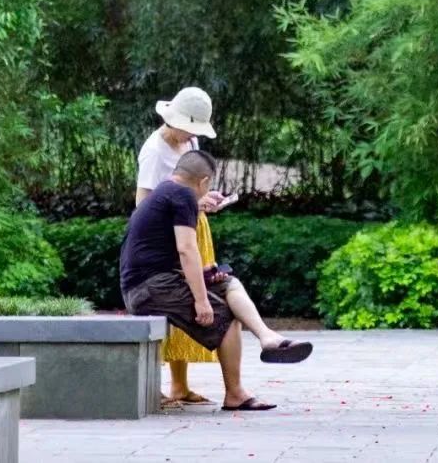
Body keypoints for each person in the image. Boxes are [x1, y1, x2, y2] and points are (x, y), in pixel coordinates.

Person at [121, 148, 313, 413]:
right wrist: (201, 301)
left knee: (227, 283)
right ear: (204, 182)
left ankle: (267, 336)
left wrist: (205, 274)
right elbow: (187, 249)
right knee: (225, 315)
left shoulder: (167, 192)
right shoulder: (183, 196)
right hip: (149, 289)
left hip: (152, 283)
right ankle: (235, 394)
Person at [136, 88, 222, 406]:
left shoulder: (190, 143)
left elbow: (190, 192)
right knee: (166, 305)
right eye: (191, 128)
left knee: (188, 306)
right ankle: (153, 386)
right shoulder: (155, 152)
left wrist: (204, 202)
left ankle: (180, 386)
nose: (193, 135)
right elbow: (143, 204)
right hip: (167, 236)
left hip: (192, 227)